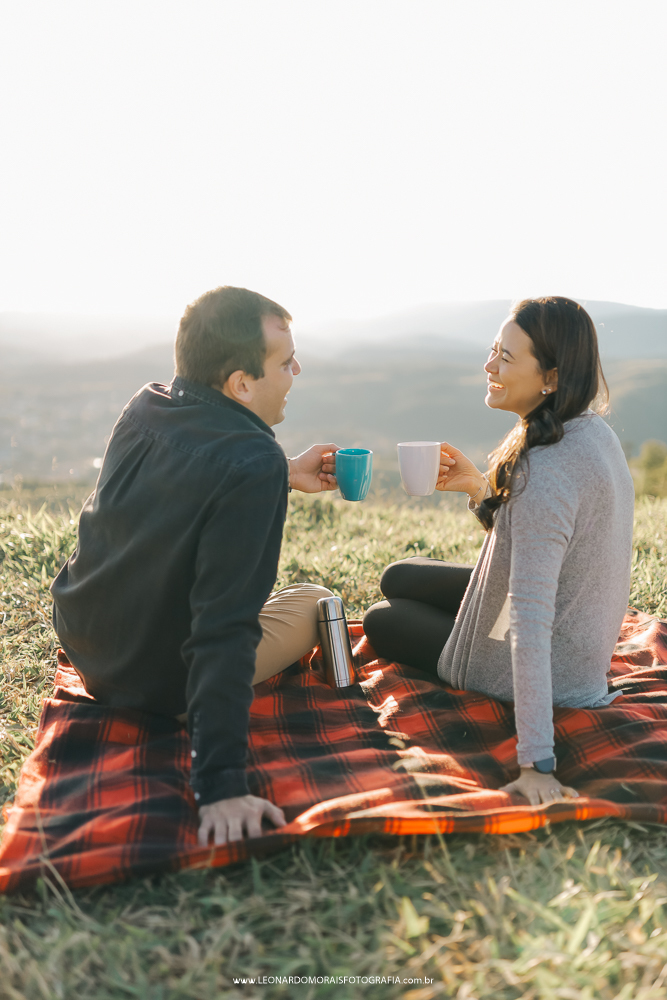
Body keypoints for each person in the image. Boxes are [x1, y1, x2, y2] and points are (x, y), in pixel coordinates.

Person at [51, 285, 338, 846]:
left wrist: (283, 470)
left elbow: (195, 461)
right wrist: (222, 783)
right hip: (157, 684)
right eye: (285, 361)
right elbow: (224, 627)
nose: (297, 369)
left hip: (86, 640)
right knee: (313, 599)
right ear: (241, 384)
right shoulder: (252, 463)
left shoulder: (148, 402)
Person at [364, 297, 635, 805]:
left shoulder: (547, 471)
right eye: (493, 351)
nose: (489, 366)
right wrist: (481, 492)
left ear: (550, 378)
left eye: (506, 358)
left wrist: (538, 764)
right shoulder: (588, 432)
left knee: (383, 618)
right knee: (401, 574)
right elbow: (531, 536)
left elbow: (529, 625)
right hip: (573, 630)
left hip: (549, 657)